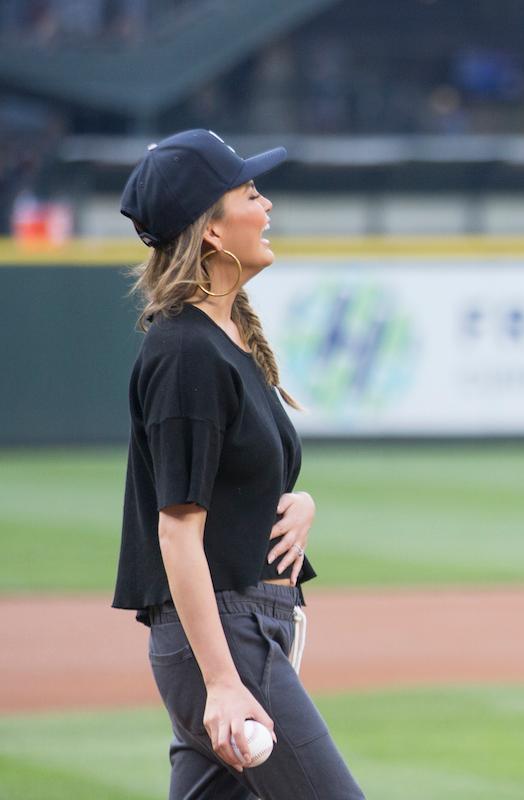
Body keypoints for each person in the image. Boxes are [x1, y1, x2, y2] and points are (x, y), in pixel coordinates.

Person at [111, 129, 365, 799]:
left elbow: (235, 485)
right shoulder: (186, 353)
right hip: (225, 636)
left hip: (245, 629)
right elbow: (177, 531)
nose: (269, 204)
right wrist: (222, 680)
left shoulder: (224, 340)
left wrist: (295, 502)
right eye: (251, 193)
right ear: (213, 234)